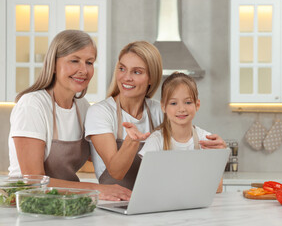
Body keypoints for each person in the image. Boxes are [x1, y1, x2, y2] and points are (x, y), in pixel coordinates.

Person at [8, 30, 131, 201]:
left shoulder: (83, 107)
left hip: (68, 202)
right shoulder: (33, 105)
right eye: (74, 61)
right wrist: (97, 189)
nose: (83, 70)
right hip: (27, 204)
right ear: (53, 64)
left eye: (89, 62)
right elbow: (33, 182)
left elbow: (99, 158)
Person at [85, 41, 226, 190]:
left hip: (155, 199)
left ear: (151, 78)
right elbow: (116, 172)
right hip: (115, 202)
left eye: (137, 72)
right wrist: (131, 142)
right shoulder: (100, 112)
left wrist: (216, 155)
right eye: (122, 69)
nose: (126, 77)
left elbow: (180, 152)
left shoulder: (159, 110)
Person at [138, 72, 225, 192]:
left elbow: (218, 188)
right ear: (163, 106)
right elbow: (147, 186)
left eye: (188, 102)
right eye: (173, 103)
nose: (181, 109)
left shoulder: (206, 139)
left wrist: (219, 157)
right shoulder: (156, 141)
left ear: (197, 105)